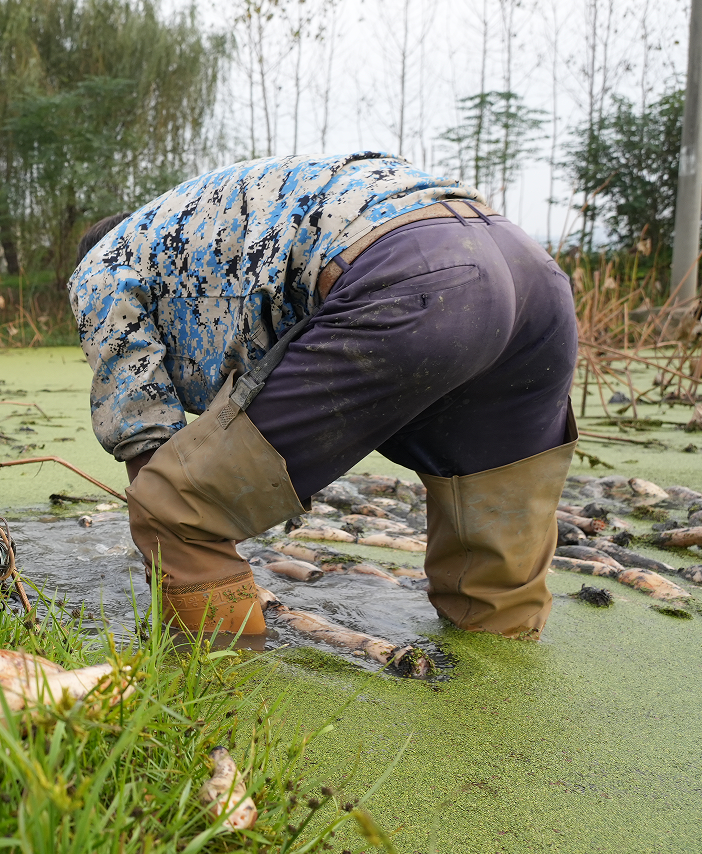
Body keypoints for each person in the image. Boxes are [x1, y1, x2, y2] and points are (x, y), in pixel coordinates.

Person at [67, 152, 577, 640]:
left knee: (173, 507)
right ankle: (501, 683)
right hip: (534, 276)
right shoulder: (191, 224)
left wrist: (172, 533)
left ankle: (221, 688)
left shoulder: (102, 264)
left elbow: (146, 434)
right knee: (495, 579)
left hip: (413, 278)